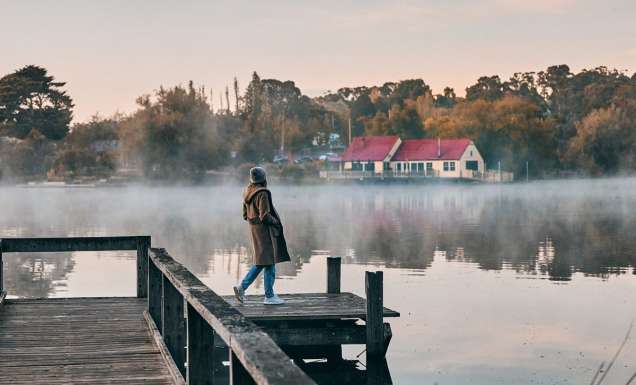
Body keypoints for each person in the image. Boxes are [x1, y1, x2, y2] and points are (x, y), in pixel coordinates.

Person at [234, 167, 291, 305]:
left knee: (262, 261)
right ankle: (269, 296)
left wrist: (254, 222)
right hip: (265, 232)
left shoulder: (247, 191)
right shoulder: (262, 193)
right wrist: (276, 222)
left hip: (255, 231)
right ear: (263, 178)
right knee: (268, 262)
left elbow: (245, 215)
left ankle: (242, 288)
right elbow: (264, 215)